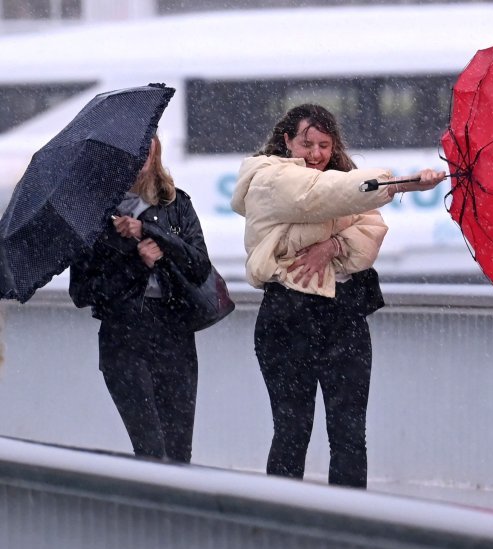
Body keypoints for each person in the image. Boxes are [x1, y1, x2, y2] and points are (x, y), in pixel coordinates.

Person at [231, 103, 445, 488]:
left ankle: (348, 519)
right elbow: (316, 196)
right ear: (287, 142)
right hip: (288, 315)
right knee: (292, 430)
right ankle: (282, 520)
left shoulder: (344, 183)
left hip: (343, 316)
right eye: (307, 143)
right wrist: (404, 184)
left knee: (349, 435)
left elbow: (369, 239)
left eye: (324, 145)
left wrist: (330, 246)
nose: (315, 154)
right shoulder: (268, 178)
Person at [69, 134, 211, 463]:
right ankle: (153, 512)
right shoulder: (94, 216)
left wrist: (151, 233)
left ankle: (175, 513)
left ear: (155, 152)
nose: (139, 155)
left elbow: (200, 266)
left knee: (178, 452)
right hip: (124, 336)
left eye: (146, 147)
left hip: (174, 331)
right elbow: (83, 292)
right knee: (150, 449)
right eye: (130, 148)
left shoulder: (176, 204)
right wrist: (136, 262)